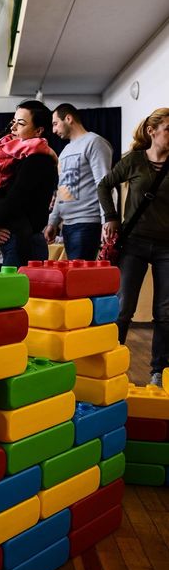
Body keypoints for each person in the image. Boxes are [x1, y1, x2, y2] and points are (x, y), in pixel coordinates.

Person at [98, 108, 169, 387]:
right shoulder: (135, 161)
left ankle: (158, 372)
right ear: (152, 131)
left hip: (167, 246)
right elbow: (105, 185)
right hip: (135, 242)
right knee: (123, 306)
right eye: (168, 129)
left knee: (165, 312)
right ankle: (111, 365)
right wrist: (111, 217)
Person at [0, 101, 58, 267]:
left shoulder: (38, 160)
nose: (13, 128)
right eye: (13, 122)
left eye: (21, 123)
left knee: (18, 292)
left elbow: (15, 200)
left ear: (38, 130)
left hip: (23, 241)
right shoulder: (22, 157)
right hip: (18, 239)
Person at [44, 103, 113, 259]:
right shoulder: (65, 151)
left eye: (55, 123)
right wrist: (53, 222)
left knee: (80, 278)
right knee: (73, 277)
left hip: (87, 222)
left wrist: (107, 219)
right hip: (67, 225)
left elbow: (103, 183)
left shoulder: (94, 142)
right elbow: (62, 189)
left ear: (68, 118)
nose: (53, 130)